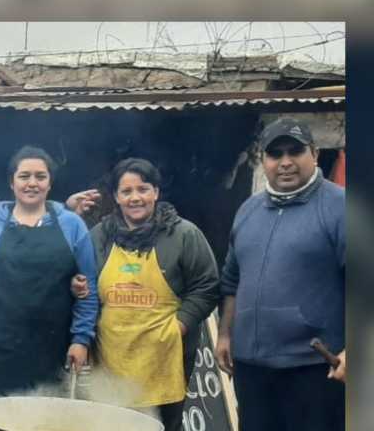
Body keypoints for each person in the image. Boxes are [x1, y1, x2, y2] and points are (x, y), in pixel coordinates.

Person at [215, 118, 344, 431]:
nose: (285, 162)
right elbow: (232, 280)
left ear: (314, 154)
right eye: (275, 154)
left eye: (295, 152)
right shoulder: (249, 210)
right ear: (264, 161)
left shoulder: (340, 206)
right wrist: (225, 334)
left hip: (313, 367)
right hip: (252, 369)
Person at [83, 158, 220, 431]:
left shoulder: (183, 234)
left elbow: (207, 285)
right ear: (116, 197)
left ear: (156, 192)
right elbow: (84, 288)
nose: (136, 198)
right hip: (111, 360)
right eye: (126, 191)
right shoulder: (99, 236)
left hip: (163, 360)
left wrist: (179, 325)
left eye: (143, 189)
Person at [0, 145, 99, 396]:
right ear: (12, 183)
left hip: (55, 348)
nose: (32, 183)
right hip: (0, 347)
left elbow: (90, 288)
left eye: (40, 177)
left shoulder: (72, 225)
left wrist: (81, 339)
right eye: (24, 176)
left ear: (50, 183)